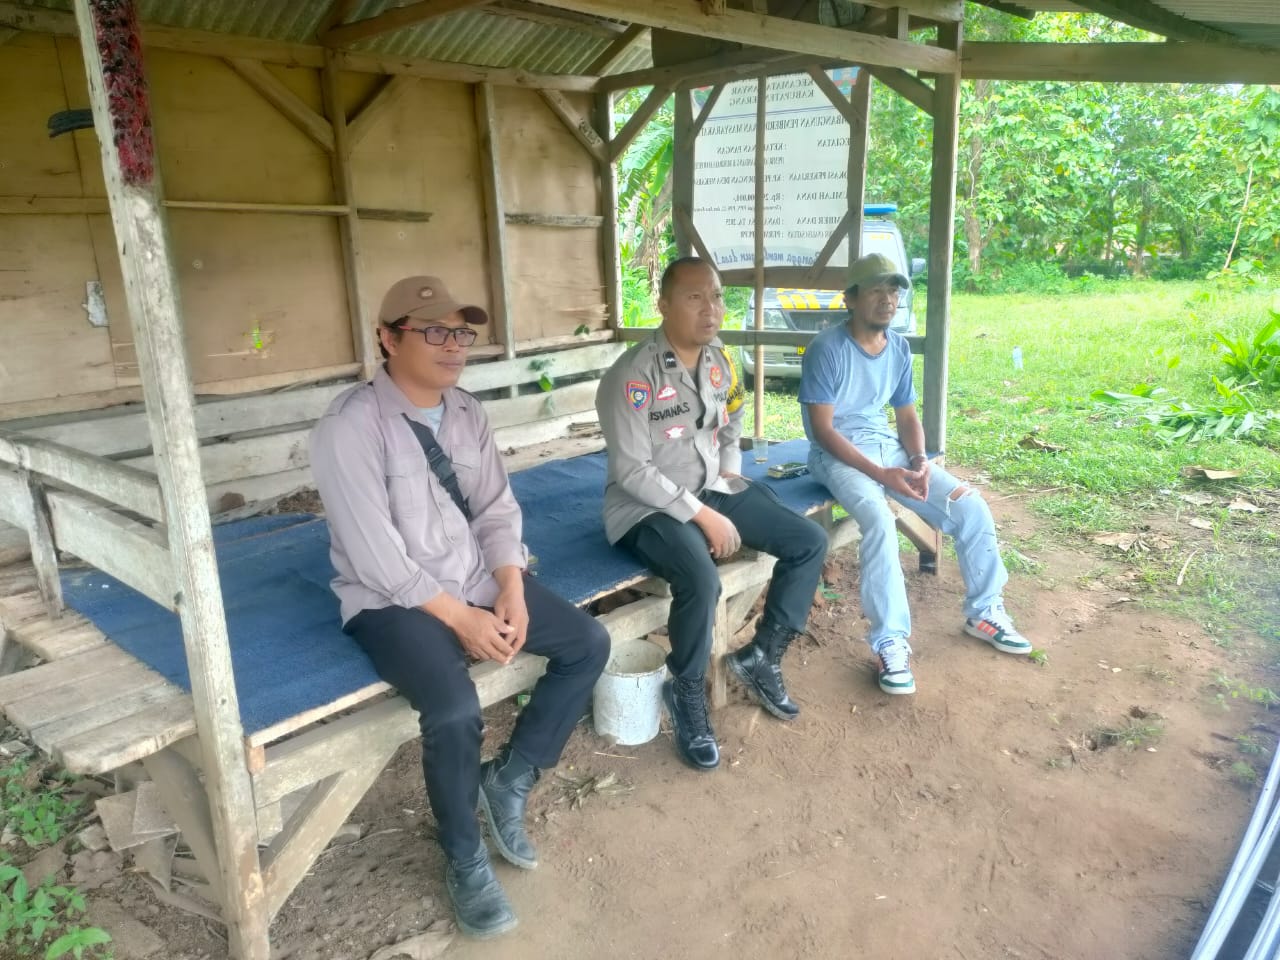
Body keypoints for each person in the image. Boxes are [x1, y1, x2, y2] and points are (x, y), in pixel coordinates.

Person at [310, 276, 609, 939]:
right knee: (452, 710)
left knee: (588, 643)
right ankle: (464, 855)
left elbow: (497, 511)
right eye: (434, 331)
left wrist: (510, 585)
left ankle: (510, 778)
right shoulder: (350, 426)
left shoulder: (468, 414)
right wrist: (460, 618)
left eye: (462, 332)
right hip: (390, 601)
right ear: (388, 339)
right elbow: (375, 555)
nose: (453, 345)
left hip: (476, 578)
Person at [596, 257, 828, 771]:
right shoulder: (632, 376)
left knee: (808, 540)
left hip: (709, 489)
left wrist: (727, 474)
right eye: (694, 297)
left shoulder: (720, 360)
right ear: (664, 305)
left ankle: (762, 655)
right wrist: (703, 515)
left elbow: (732, 420)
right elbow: (632, 471)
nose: (711, 308)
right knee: (701, 579)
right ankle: (685, 689)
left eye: (717, 296)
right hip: (643, 508)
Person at [799, 253, 1032, 696]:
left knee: (970, 506)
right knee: (879, 521)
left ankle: (985, 611)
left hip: (888, 448)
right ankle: (889, 641)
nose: (888, 299)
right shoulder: (826, 349)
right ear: (850, 299)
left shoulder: (899, 348)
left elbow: (906, 415)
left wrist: (920, 461)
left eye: (894, 290)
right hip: (836, 455)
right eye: (876, 290)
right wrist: (881, 474)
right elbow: (824, 431)